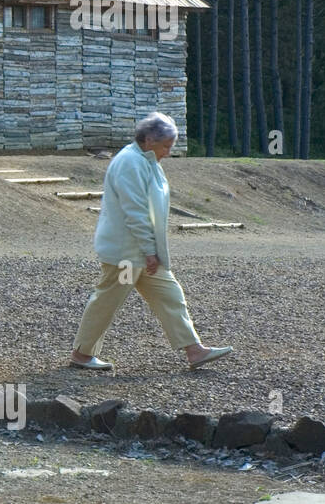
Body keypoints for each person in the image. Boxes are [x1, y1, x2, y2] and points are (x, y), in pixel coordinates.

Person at [69, 111, 233, 372]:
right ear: (147, 140)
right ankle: (81, 355)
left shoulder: (147, 160)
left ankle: (194, 350)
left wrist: (150, 252)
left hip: (141, 255)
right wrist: (149, 251)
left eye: (170, 146)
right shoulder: (130, 163)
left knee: (171, 295)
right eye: (165, 146)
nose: (168, 152)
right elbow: (135, 211)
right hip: (125, 254)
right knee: (108, 301)